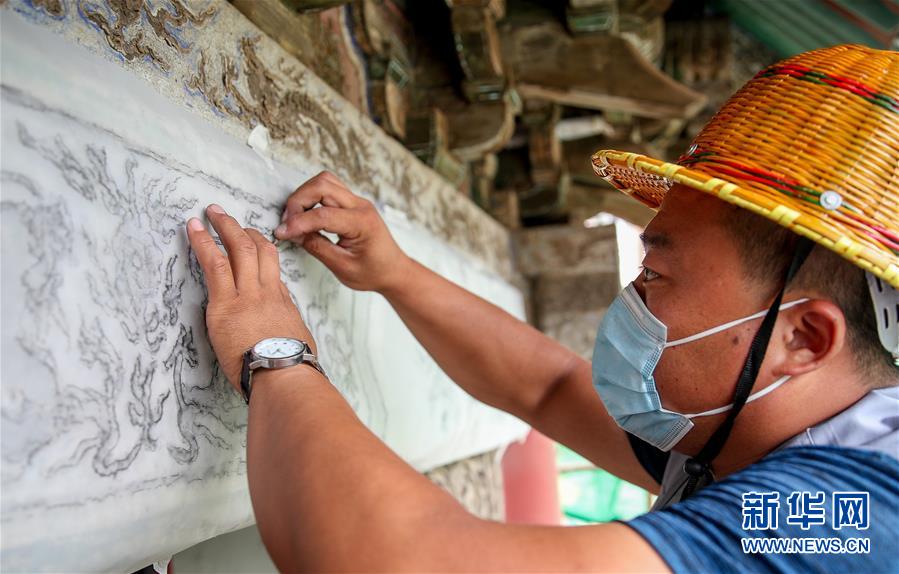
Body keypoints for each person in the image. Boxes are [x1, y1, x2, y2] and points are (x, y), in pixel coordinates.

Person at [185, 44, 898, 572]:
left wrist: (274, 354)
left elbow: (404, 562)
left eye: (654, 273)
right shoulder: (740, 431)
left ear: (803, 338)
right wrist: (394, 272)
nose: (633, 300)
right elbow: (547, 387)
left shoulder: (848, 522)